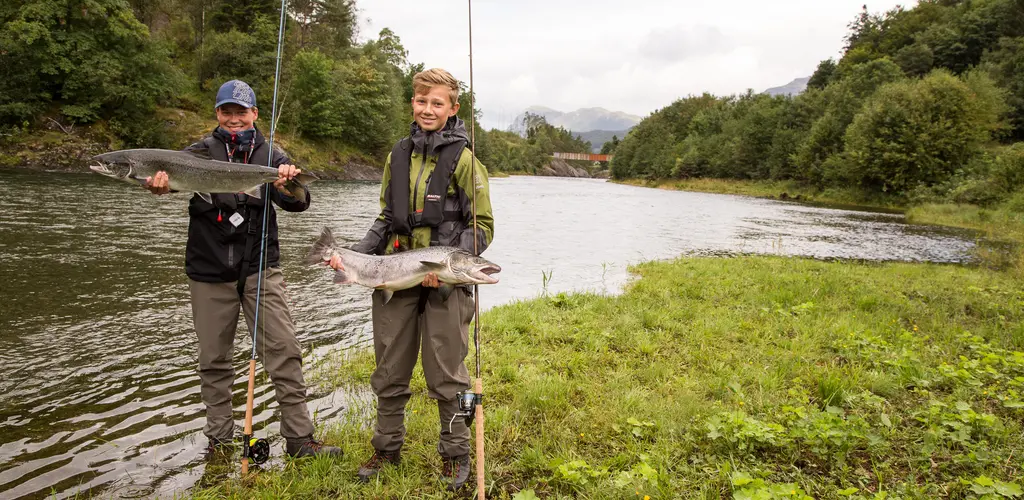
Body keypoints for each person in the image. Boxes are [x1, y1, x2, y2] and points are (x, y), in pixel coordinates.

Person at [145, 79, 341, 459]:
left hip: (260, 266)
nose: (234, 119)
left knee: (284, 351)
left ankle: (301, 441)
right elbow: (162, 183)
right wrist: (158, 186)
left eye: (241, 111)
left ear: (254, 114)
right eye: (226, 111)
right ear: (217, 114)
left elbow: (301, 203)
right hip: (207, 268)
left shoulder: (272, 154)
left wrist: (289, 188)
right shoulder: (195, 153)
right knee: (214, 360)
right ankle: (219, 441)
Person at [328, 68, 494, 491]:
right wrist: (354, 259)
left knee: (447, 374)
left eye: (437, 103)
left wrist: (450, 268)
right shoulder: (395, 155)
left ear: (453, 109)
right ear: (413, 104)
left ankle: (455, 455)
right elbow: (386, 219)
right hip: (396, 275)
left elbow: (484, 227)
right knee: (389, 369)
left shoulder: (466, 161)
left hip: (446, 282)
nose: (428, 109)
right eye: (421, 101)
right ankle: (387, 450)